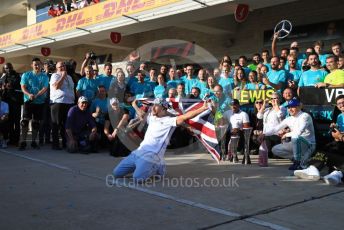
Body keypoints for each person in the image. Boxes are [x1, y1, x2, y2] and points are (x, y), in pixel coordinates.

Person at [112, 98, 210, 181]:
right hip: (138, 152)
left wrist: (202, 108)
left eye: (156, 105)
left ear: (163, 109)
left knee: (138, 178)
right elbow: (142, 115)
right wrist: (134, 105)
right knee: (116, 173)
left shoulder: (169, 120)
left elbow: (185, 116)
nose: (153, 107)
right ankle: (143, 167)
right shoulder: (152, 117)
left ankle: (159, 167)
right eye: (153, 105)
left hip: (152, 155)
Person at [294, 95, 344, 185]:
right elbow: (338, 134)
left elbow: (341, 135)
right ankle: (315, 169)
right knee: (326, 149)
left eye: (343, 102)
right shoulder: (340, 116)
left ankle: (337, 174)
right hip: (340, 144)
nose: (341, 105)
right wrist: (335, 131)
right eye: (339, 103)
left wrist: (340, 136)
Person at [265, 98, 316, 170]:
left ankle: (297, 162)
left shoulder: (305, 116)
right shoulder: (289, 118)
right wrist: (264, 134)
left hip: (308, 145)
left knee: (295, 136)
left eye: (293, 107)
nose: (290, 109)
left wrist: (287, 134)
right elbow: (276, 128)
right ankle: (300, 159)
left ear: (298, 107)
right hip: (296, 144)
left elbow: (299, 132)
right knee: (275, 149)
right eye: (288, 107)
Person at [19, 58, 49, 150]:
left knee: (36, 123)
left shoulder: (44, 76)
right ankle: (23, 141)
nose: (37, 66)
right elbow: (23, 87)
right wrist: (29, 94)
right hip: (28, 101)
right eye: (35, 64)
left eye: (38, 64)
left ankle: (33, 142)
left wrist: (36, 96)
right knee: (25, 122)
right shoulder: (26, 75)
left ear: (41, 65)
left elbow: (44, 88)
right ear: (32, 65)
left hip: (39, 102)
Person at [50, 61, 75, 150]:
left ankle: (66, 143)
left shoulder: (70, 77)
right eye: (60, 66)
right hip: (58, 102)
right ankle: (55, 144)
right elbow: (56, 87)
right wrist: (63, 76)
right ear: (57, 68)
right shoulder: (55, 76)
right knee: (56, 124)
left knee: (66, 124)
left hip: (69, 103)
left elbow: (71, 89)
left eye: (64, 66)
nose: (63, 67)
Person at [257, 92, 286, 158]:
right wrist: (264, 105)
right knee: (268, 154)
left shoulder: (282, 108)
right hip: (267, 135)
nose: (273, 100)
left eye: (275, 98)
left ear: (280, 99)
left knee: (276, 155)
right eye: (272, 98)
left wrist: (276, 105)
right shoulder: (268, 109)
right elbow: (259, 116)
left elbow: (280, 115)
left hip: (276, 135)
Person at [0, 63, 23, 145]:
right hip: (7, 102)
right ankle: (10, 139)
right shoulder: (3, 77)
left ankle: (16, 140)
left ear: (12, 67)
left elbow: (19, 85)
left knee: (16, 122)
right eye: (6, 68)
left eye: (9, 67)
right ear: (4, 69)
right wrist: (2, 87)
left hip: (16, 102)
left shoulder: (17, 76)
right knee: (9, 122)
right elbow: (2, 87)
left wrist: (9, 85)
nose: (8, 69)